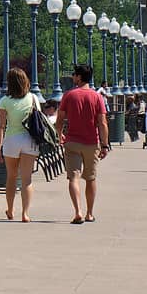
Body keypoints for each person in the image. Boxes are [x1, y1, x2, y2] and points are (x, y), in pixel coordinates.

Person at [54, 64, 109, 224]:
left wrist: (59, 135)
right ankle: (89, 213)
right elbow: (102, 123)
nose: (73, 77)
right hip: (91, 142)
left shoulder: (68, 96)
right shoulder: (97, 97)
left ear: (79, 77)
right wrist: (104, 144)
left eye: (74, 75)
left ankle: (77, 211)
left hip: (72, 141)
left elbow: (59, 120)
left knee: (73, 177)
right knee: (91, 178)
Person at [0, 68, 39, 222]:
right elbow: (38, 120)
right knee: (27, 179)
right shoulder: (33, 98)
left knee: (11, 177)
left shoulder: (4, 101)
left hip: (11, 141)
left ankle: (10, 209)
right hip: (29, 140)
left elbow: (1, 126)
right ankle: (25, 213)